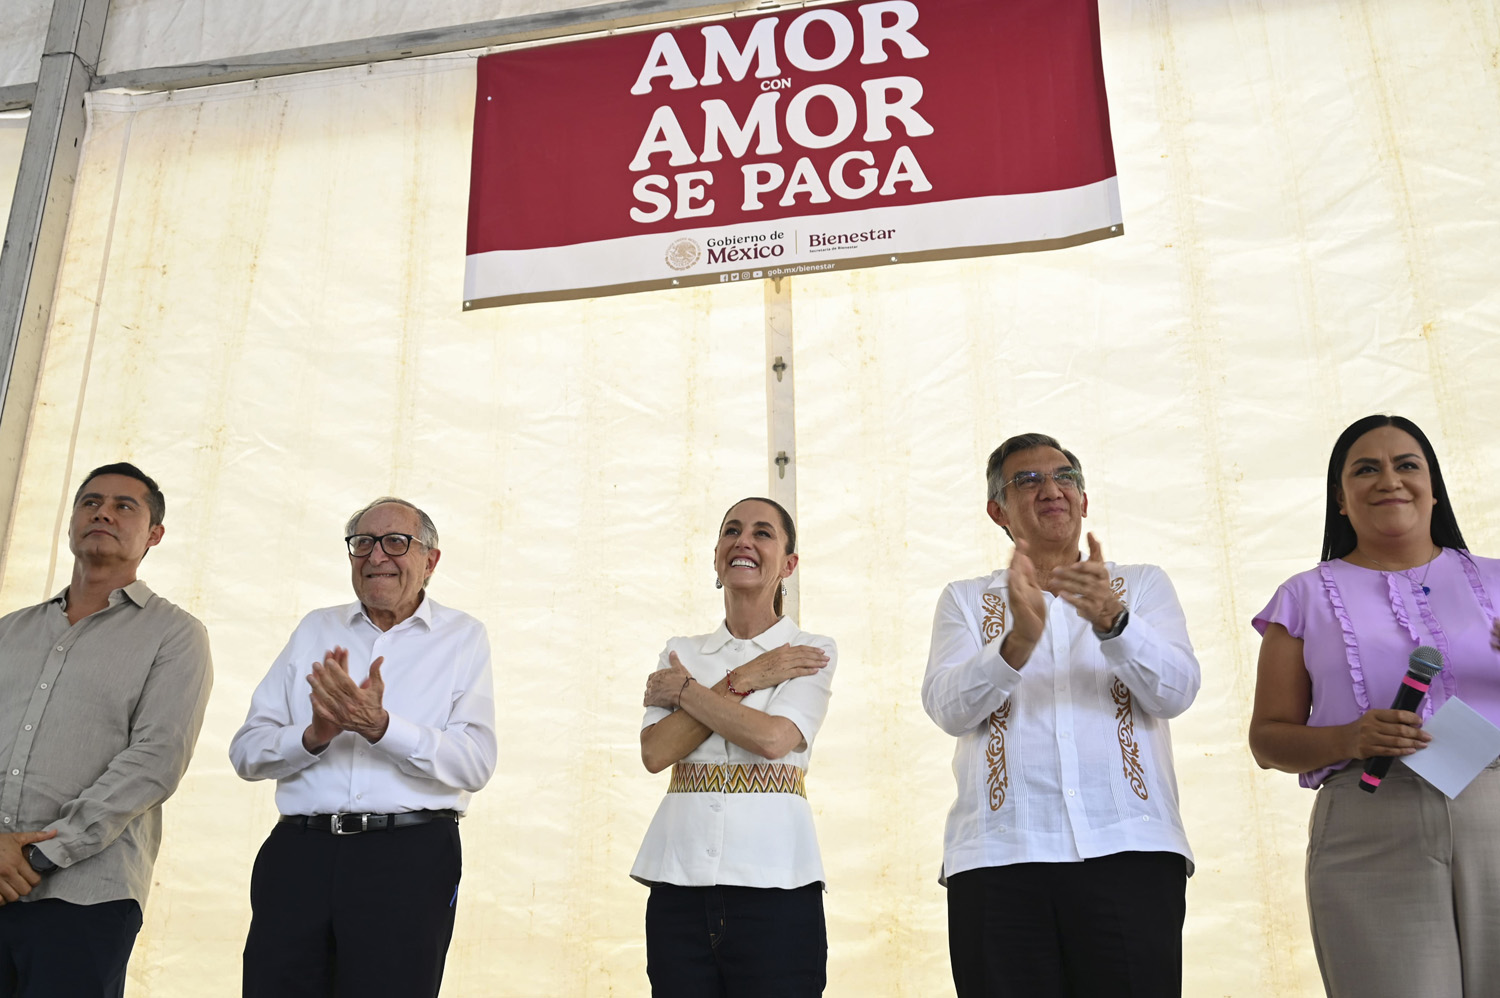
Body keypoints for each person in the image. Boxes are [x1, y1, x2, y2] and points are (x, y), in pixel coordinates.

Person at [922, 433, 1200, 997]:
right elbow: (948, 708)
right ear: (998, 511)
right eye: (1028, 480)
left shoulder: (1140, 585)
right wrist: (1017, 643)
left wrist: (1114, 621)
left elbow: (1175, 692)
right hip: (1000, 857)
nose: (1051, 489)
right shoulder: (966, 599)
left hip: (1132, 849)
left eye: (1064, 477)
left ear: (1084, 500)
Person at [1249, 414, 1500, 997]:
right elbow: (1267, 740)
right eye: (1366, 469)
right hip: (1370, 822)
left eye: (1407, 465)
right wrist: (1349, 737)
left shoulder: (1497, 580)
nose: (1389, 479)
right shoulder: (1302, 596)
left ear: (1433, 488)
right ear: (1340, 499)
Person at [229, 497, 496, 998]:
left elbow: (475, 764)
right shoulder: (315, 628)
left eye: (396, 542)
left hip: (408, 859)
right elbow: (246, 752)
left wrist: (382, 728)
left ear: (430, 561)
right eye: (363, 543)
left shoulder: (463, 637)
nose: (376, 556)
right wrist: (314, 736)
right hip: (299, 854)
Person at [0, 462, 213, 997]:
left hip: (86, 895)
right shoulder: (10, 631)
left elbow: (155, 761)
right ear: (72, 520)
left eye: (124, 506)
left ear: (154, 534)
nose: (103, 513)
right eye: (91, 502)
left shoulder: (175, 635)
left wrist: (39, 854)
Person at [631, 497, 836, 997]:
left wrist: (687, 693)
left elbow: (773, 738)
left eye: (763, 533)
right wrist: (746, 679)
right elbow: (656, 752)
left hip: (778, 884)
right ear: (716, 558)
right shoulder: (681, 651)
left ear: (789, 564)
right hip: (678, 886)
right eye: (732, 531)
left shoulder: (810, 651)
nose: (743, 541)